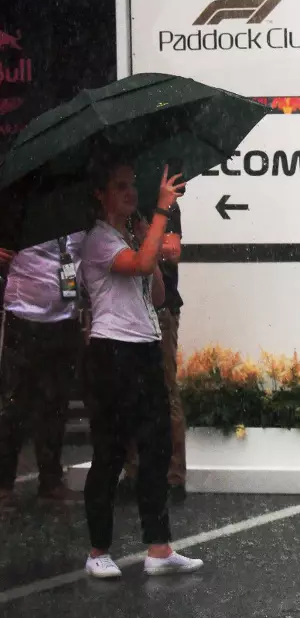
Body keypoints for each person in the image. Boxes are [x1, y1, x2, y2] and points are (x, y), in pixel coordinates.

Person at [78, 161, 202, 579]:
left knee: (156, 449)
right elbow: (141, 266)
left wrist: (148, 236)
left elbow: (159, 292)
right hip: (113, 352)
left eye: (132, 186)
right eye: (120, 187)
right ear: (101, 195)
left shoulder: (130, 235)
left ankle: (159, 546)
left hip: (146, 348)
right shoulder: (98, 239)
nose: (131, 193)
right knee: (111, 451)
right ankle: (98, 550)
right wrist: (162, 213)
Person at [0, 231, 85, 505]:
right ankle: (3, 482)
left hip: (65, 320)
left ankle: (50, 481)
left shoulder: (78, 214)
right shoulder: (20, 212)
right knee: (14, 404)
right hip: (23, 318)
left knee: (56, 403)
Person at [122, 195, 186, 503]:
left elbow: (173, 251)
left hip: (161, 309)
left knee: (165, 390)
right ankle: (133, 473)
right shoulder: (118, 207)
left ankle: (174, 477)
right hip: (124, 310)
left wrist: (145, 243)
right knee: (128, 393)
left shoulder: (165, 205)